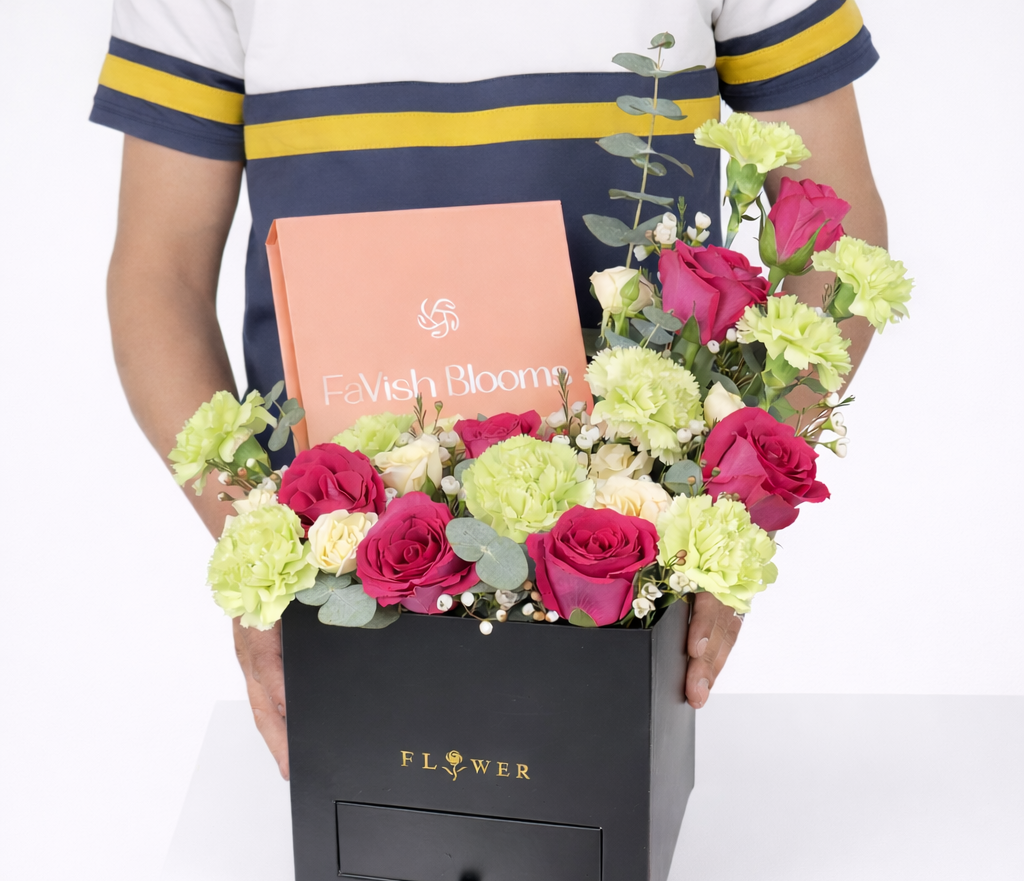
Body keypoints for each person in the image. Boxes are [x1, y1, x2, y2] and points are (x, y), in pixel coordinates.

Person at [93, 0, 887, 780]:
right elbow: (159, 273)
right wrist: (254, 545)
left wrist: (729, 520)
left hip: (633, 532)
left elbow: (835, 231)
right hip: (338, 550)